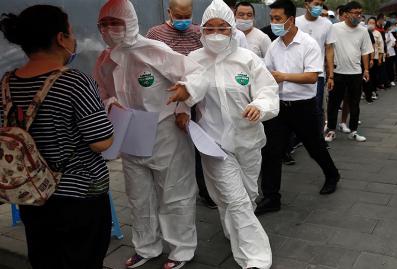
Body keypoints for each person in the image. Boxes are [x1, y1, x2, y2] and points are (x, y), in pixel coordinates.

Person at [94, 0, 207, 268]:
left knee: (174, 192)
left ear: (130, 22)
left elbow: (195, 73)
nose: (111, 29)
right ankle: (146, 246)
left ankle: (181, 249)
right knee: (138, 193)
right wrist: (111, 105)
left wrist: (185, 94)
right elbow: (102, 93)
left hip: (164, 131)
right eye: (105, 24)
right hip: (130, 132)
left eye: (116, 23)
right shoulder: (104, 59)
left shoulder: (155, 50)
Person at [0, 5, 114, 269]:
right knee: (82, 259)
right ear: (61, 38)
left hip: (31, 192)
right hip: (79, 195)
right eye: (71, 32)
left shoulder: (6, 83)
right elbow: (101, 141)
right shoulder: (75, 82)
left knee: (45, 258)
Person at [185, 1, 278, 268]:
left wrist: (259, 106)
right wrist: (181, 106)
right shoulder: (194, 60)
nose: (216, 33)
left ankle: (233, 229)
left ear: (231, 29)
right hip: (213, 143)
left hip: (248, 139)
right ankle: (255, 257)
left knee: (247, 194)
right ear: (201, 30)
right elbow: (184, 89)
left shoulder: (248, 59)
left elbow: (268, 91)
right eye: (209, 28)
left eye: (222, 28)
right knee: (236, 199)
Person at [257, 0, 341, 215]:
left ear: (291, 19)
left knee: (315, 147)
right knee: (271, 151)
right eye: (272, 18)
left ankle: (332, 174)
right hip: (279, 107)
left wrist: (283, 76)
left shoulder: (308, 44)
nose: (274, 23)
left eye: (278, 18)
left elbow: (312, 77)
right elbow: (267, 73)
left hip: (303, 107)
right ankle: (271, 197)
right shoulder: (274, 46)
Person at [146, 0, 217, 210]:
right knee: (174, 146)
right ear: (169, 12)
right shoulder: (155, 34)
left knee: (199, 142)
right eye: (179, 16)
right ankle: (171, 190)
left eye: (188, 16)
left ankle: (205, 190)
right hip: (168, 99)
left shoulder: (198, 33)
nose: (184, 21)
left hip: (196, 97)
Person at [324, 1, 373, 143]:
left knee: (354, 103)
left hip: (356, 73)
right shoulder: (334, 28)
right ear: (346, 14)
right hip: (338, 73)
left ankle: (353, 131)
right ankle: (331, 130)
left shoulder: (363, 30)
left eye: (360, 13)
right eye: (356, 13)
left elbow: (365, 52)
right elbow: (330, 51)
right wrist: (330, 74)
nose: (359, 16)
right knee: (333, 103)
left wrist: (366, 70)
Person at [296, 0, 336, 132]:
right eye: (316, 3)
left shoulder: (327, 24)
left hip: (317, 74)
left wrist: (331, 75)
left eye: (321, 4)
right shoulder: (296, 22)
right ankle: (297, 138)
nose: (318, 7)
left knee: (316, 107)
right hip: (295, 73)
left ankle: (318, 139)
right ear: (306, 3)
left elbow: (329, 49)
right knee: (296, 106)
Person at [384, 21, 397, 88]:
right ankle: (387, 81)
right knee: (386, 67)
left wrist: (394, 43)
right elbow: (382, 43)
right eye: (389, 27)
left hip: (392, 52)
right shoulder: (382, 33)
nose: (390, 28)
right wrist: (386, 41)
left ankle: (392, 80)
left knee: (391, 67)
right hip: (386, 53)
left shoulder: (390, 33)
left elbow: (394, 40)